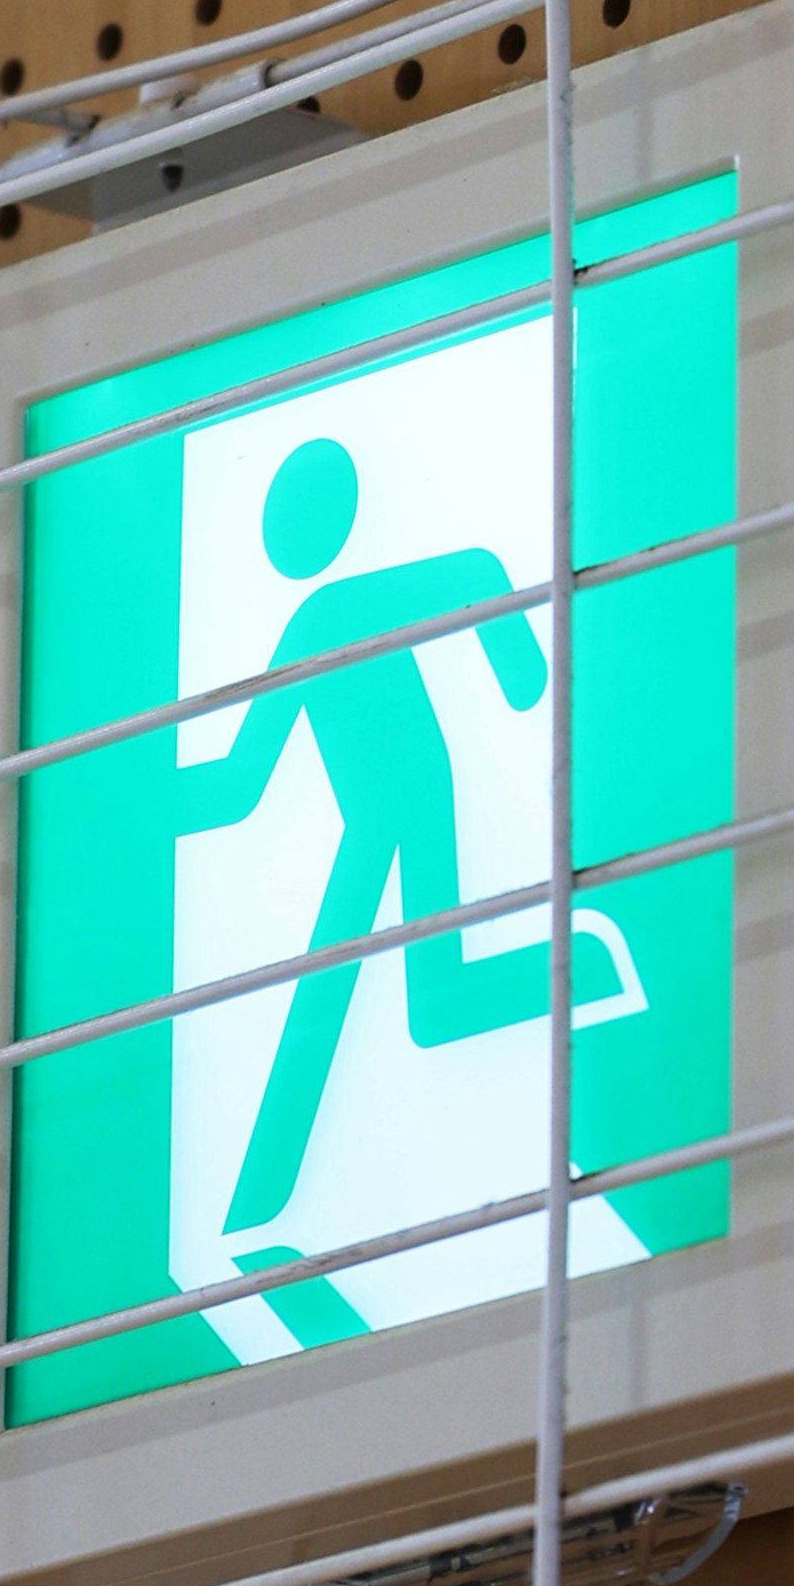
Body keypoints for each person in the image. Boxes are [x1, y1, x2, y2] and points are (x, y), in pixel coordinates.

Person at [173, 429, 637, 1239]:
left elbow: (473, 576)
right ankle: (582, 972)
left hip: (413, 798)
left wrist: (522, 670)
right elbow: (242, 780)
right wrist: (141, 796)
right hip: (382, 813)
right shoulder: (315, 622)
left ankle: (261, 1189)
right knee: (430, 996)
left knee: (370, 981)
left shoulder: (334, 612)